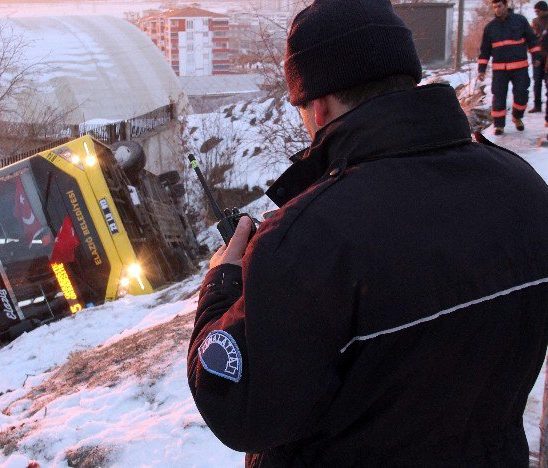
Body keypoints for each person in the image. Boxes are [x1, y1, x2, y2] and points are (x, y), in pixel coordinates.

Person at [187, 0, 548, 465]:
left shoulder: (305, 240)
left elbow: (239, 408)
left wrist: (223, 283)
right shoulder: (524, 187)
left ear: (317, 107)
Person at [478, 0, 541, 135]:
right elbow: (485, 50)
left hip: (520, 68)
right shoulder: (490, 28)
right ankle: (499, 125)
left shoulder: (520, 21)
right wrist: (481, 69)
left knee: (521, 94)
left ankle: (517, 117)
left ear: (506, 5)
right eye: (494, 7)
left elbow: (532, 40)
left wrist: (536, 57)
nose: (497, 9)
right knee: (499, 97)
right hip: (500, 70)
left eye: (499, 6)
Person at [530, 1, 548, 112]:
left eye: (538, 11)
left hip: (547, 56)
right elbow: (531, 37)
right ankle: (537, 105)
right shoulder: (535, 22)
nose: (536, 13)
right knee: (537, 81)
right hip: (537, 55)